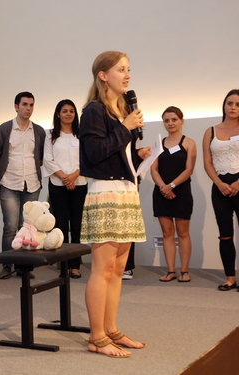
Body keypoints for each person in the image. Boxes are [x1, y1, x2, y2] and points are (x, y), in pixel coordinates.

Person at [79, 51, 150, 358]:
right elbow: (94, 154)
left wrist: (139, 155)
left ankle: (111, 329)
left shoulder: (120, 110)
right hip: (105, 193)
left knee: (118, 269)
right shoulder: (94, 111)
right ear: (103, 75)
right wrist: (126, 127)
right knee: (102, 268)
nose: (128, 75)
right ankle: (96, 337)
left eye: (129, 69)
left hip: (125, 191)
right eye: (122, 69)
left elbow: (116, 154)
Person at [0, 91, 46, 279]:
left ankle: (24, 267)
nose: (28, 108)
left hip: (32, 183)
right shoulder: (5, 129)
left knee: (29, 227)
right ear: (16, 106)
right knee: (10, 226)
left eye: (31, 105)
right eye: (24, 104)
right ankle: (7, 265)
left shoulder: (38, 131)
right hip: (9, 182)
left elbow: (40, 156)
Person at [43, 99, 87, 278]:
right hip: (57, 185)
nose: (68, 114)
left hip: (80, 183)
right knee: (61, 225)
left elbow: (87, 158)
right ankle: (63, 264)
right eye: (65, 111)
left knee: (76, 225)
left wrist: (74, 176)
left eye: (71, 111)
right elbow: (47, 159)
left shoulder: (82, 135)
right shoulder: (51, 135)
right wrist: (64, 177)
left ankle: (75, 264)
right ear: (58, 114)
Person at [151, 106, 196, 283]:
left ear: (181, 121)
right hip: (161, 192)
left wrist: (171, 186)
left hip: (182, 191)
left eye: (174, 119)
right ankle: (171, 271)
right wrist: (163, 187)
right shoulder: (158, 144)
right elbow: (153, 169)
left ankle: (184, 271)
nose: (170, 123)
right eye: (166, 120)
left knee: (183, 232)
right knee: (167, 232)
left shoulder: (189, 143)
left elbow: (189, 169)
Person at [203, 89, 239, 291]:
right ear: (224, 105)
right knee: (225, 234)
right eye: (230, 103)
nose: (233, 107)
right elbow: (207, 162)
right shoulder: (211, 131)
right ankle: (230, 278)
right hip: (220, 187)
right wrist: (219, 183)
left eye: (237, 104)